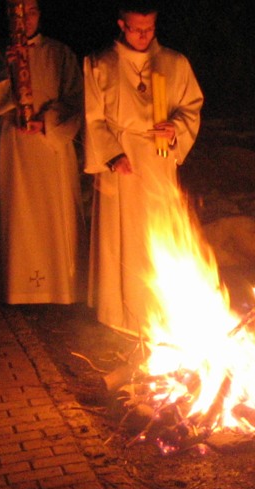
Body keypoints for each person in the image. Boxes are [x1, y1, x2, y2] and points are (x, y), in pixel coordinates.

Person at [83, 2, 203, 333]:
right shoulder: (100, 63)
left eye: (149, 28)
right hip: (122, 162)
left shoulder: (173, 62)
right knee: (123, 236)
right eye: (136, 29)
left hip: (158, 161)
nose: (143, 35)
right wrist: (112, 154)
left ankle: (161, 310)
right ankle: (121, 313)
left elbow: (191, 106)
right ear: (122, 24)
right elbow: (93, 118)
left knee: (158, 233)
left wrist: (176, 127)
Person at [0, 0, 86, 304]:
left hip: (50, 145)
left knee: (53, 212)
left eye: (33, 11)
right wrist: (5, 71)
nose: (26, 20)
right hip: (15, 144)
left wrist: (48, 122)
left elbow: (76, 100)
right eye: (19, 13)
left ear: (40, 14)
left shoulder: (59, 53)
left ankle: (59, 290)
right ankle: (18, 290)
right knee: (18, 212)